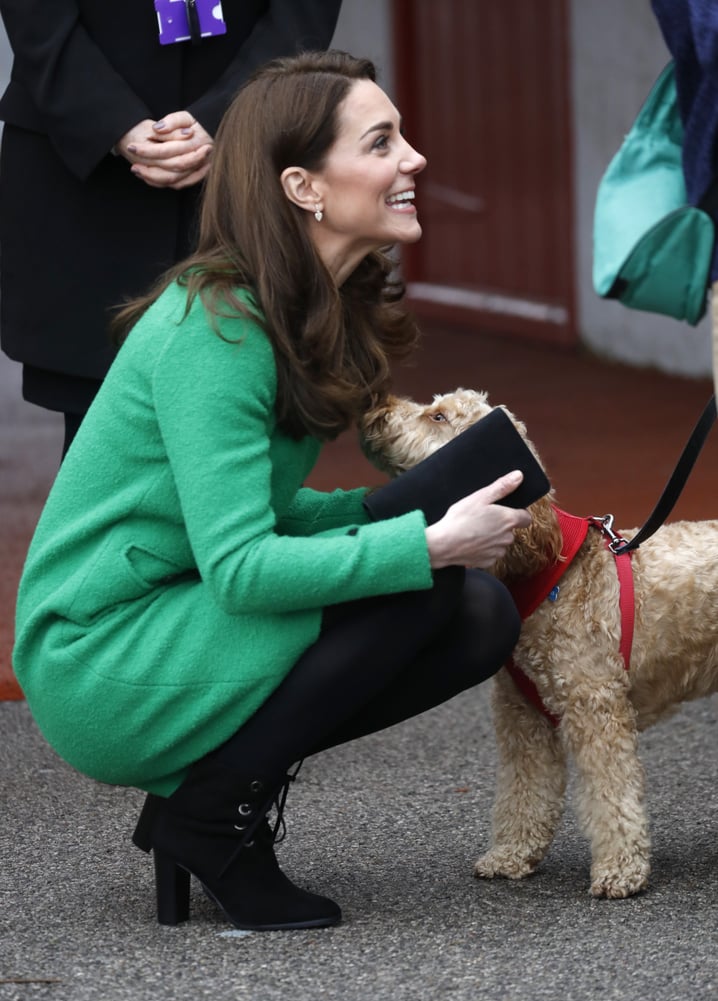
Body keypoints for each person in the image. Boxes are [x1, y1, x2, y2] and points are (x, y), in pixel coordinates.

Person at [12, 50, 533, 933]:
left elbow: (257, 515)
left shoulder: (307, 309)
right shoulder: (217, 330)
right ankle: (215, 819)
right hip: (102, 654)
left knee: (476, 611)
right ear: (303, 186)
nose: (415, 159)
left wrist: (399, 512)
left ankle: (208, 804)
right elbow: (242, 569)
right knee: (426, 586)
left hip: (177, 608)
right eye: (382, 141)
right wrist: (426, 542)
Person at [0, 0, 343, 457]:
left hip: (248, 161)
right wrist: (110, 120)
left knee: (248, 408)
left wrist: (230, 115)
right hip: (85, 164)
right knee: (99, 440)